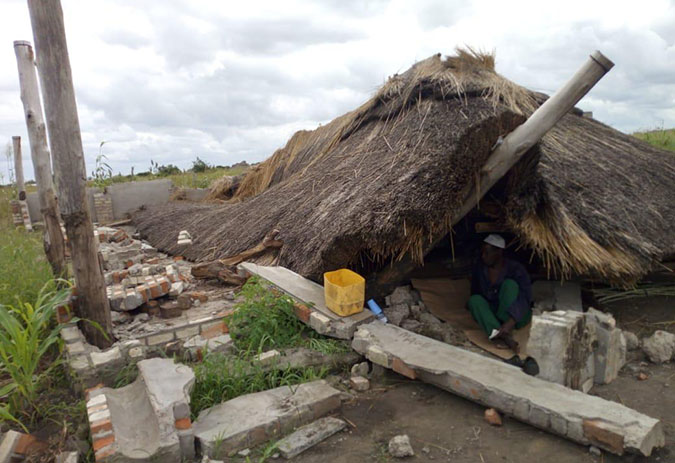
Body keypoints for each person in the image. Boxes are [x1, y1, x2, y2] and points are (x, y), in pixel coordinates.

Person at [467, 234, 532, 353]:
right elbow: (476, 293)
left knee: (509, 285)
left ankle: (506, 330)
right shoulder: (480, 269)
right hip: (495, 315)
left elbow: (525, 298)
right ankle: (499, 334)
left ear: (499, 253)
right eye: (482, 253)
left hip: (516, 317)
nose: (483, 256)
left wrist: (509, 323)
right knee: (474, 300)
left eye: (487, 253)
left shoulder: (516, 269)